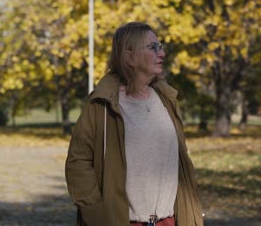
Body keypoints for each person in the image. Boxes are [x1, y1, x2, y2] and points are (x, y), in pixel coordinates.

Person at [65, 22, 204, 226]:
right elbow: (78, 162)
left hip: (169, 222)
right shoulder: (102, 105)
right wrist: (97, 213)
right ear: (128, 57)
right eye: (152, 47)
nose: (162, 53)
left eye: (161, 46)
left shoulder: (167, 99)